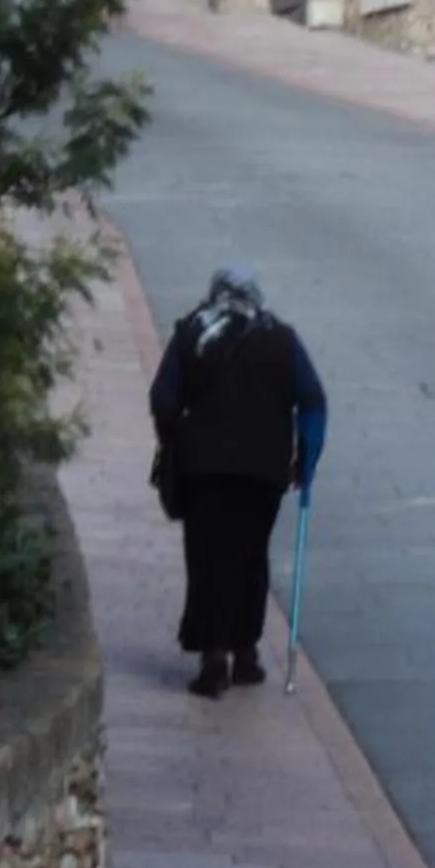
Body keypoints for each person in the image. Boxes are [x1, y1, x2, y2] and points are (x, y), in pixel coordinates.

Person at [149, 265, 327, 699]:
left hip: (203, 468)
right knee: (250, 554)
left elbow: (163, 398)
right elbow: (313, 400)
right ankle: (245, 654)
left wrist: (175, 438)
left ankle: (213, 657)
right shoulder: (281, 339)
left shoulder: (192, 332)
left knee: (208, 556)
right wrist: (306, 461)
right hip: (263, 472)